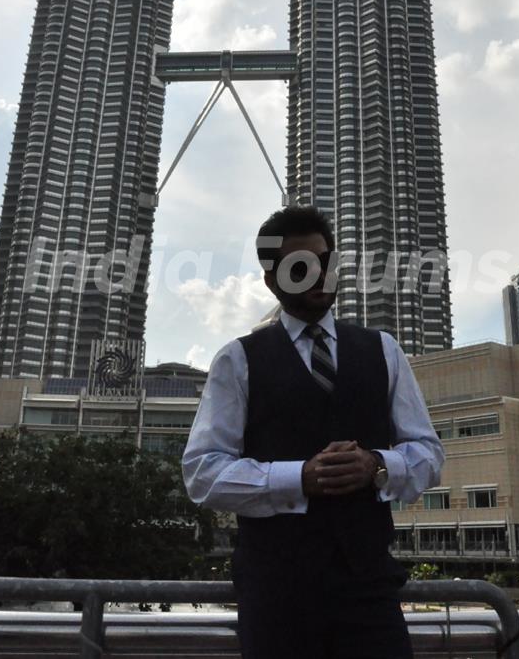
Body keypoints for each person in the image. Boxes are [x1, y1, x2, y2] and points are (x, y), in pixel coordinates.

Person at [182, 205, 444, 659]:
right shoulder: (237, 359)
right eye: (300, 266)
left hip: (369, 590)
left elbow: (428, 454)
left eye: (326, 261)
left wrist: (378, 466)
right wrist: (298, 477)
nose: (319, 274)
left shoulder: (383, 350)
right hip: (276, 597)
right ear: (271, 280)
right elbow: (202, 472)